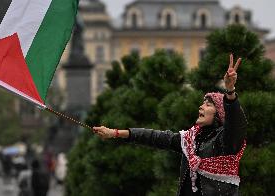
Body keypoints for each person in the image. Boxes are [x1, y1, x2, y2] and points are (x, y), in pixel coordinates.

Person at [93, 54, 247, 195]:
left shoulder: (226, 141)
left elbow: (236, 122)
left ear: (219, 114)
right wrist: (114, 133)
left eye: (208, 105)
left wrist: (230, 91)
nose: (201, 107)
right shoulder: (189, 140)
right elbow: (154, 137)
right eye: (202, 103)